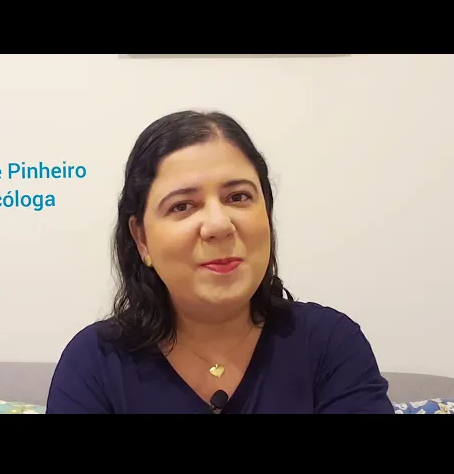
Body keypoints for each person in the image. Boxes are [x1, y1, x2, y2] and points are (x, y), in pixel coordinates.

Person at [46, 110, 395, 414]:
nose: (218, 225)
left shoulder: (329, 345)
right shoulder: (95, 363)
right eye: (182, 206)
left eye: (238, 197)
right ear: (141, 239)